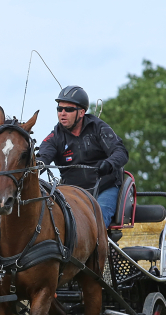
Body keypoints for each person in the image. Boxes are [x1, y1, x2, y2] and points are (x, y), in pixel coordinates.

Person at [37, 85, 129, 228]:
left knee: (97, 219)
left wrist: (109, 164)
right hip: (71, 192)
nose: (62, 113)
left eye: (68, 109)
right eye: (59, 109)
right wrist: (36, 166)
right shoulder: (55, 136)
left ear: (81, 112)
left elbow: (120, 152)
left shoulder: (98, 128)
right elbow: (42, 158)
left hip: (104, 188)